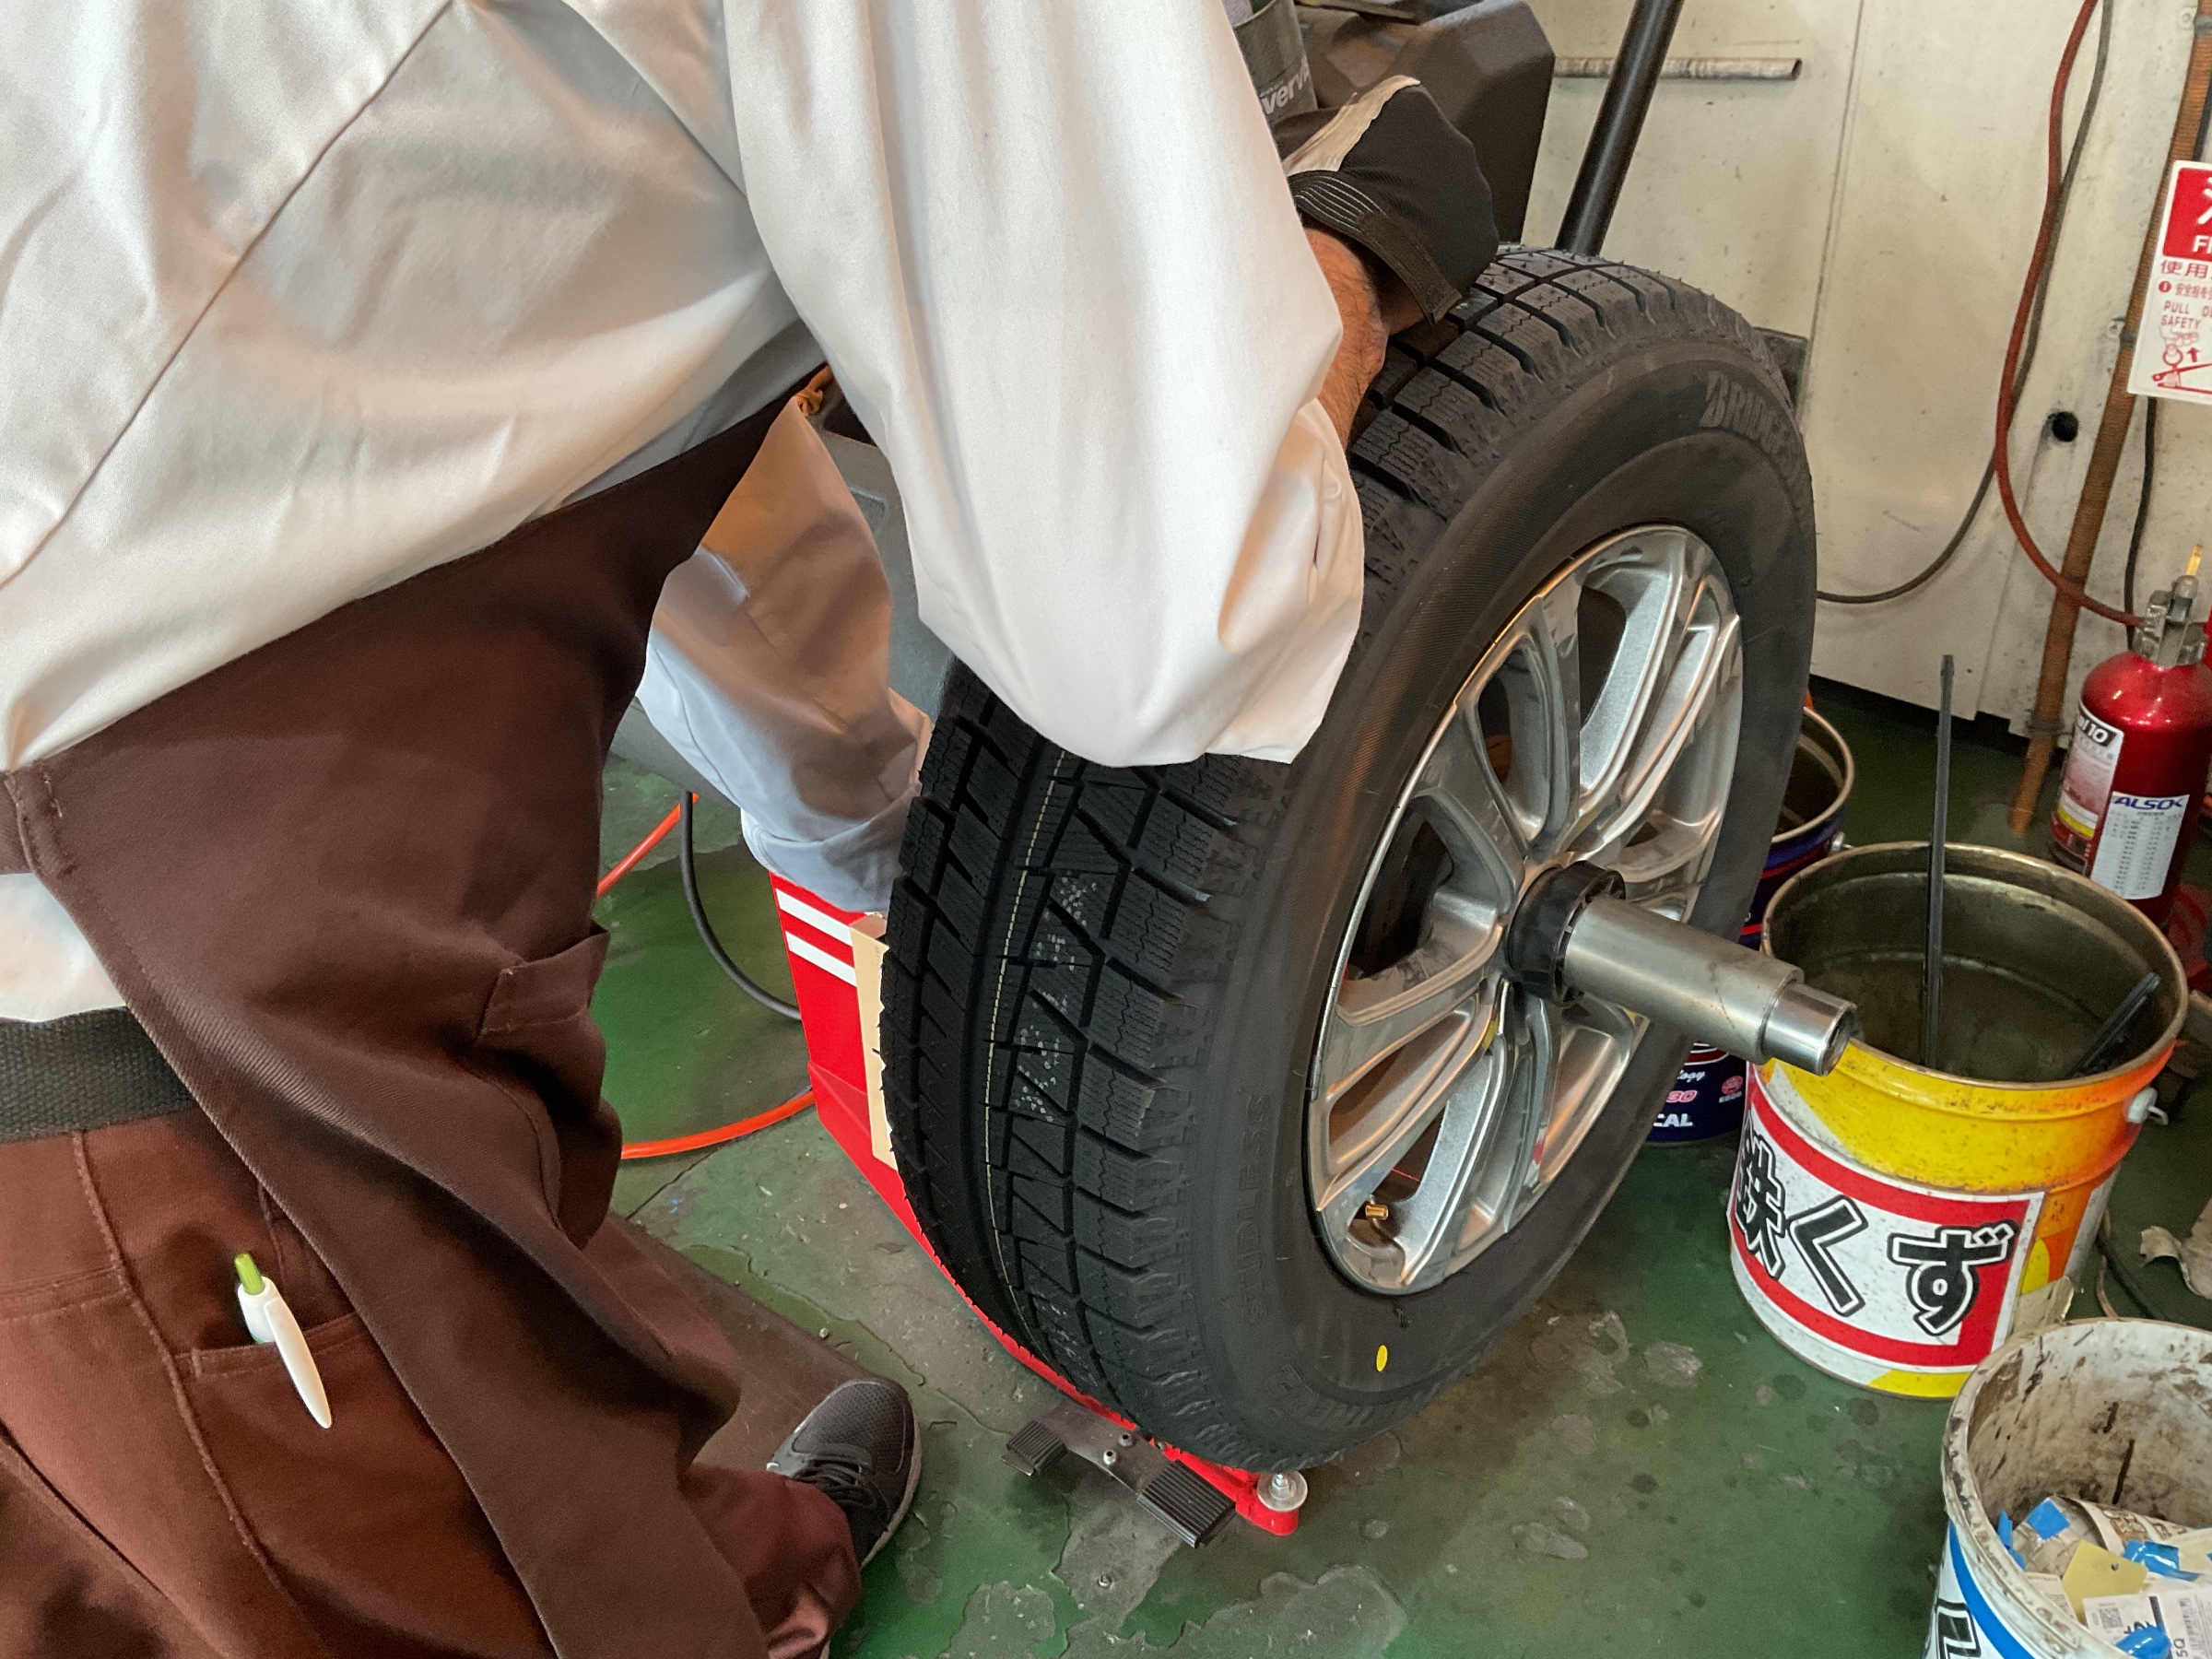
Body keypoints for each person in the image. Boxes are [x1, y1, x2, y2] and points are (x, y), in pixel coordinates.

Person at [0, 6, 1492, 1656]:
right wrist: (1341, 271)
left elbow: (606, 375)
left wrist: (868, 832)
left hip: (131, 892)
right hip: (124, 1069)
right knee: (439, 1561)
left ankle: (742, 1565)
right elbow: (1170, 620)